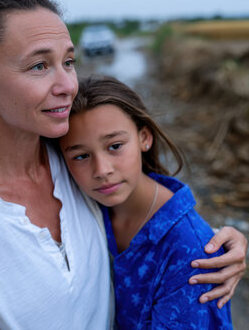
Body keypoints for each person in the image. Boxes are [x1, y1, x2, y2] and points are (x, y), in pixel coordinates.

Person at [0, 0, 246, 329]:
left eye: (69, 62)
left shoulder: (74, 162)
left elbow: (153, 222)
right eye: (39, 65)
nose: (66, 85)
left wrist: (212, 245)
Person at [59, 76, 233, 329]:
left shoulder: (192, 253)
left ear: (144, 137)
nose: (101, 170)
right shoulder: (83, 207)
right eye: (81, 156)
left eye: (115, 146)